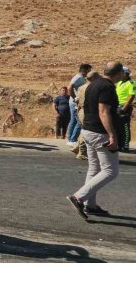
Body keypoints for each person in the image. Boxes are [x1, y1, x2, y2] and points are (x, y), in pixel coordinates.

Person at [67, 62, 124, 220]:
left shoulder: (93, 84)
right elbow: (103, 111)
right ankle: (79, 197)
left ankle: (90, 205)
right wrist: (112, 135)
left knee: (94, 168)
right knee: (110, 171)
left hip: (88, 130)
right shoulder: (107, 87)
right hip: (100, 133)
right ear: (118, 73)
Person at [72, 71, 101, 160]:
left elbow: (77, 100)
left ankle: (77, 147)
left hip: (81, 110)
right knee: (86, 130)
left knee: (84, 129)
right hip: (88, 111)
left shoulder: (81, 87)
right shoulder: (93, 88)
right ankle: (82, 152)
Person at [67, 64, 93, 147]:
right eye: (88, 71)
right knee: (79, 121)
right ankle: (73, 139)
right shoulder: (78, 77)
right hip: (75, 103)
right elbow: (69, 87)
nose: (89, 72)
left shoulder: (80, 78)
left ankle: (70, 139)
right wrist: (75, 98)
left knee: (73, 121)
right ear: (83, 71)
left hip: (73, 102)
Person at [115, 66, 134, 152]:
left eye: (121, 73)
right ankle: (119, 144)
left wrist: (124, 108)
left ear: (126, 74)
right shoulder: (119, 82)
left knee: (125, 126)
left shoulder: (132, 83)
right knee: (118, 126)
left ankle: (126, 145)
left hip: (124, 107)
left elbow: (131, 97)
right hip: (117, 106)